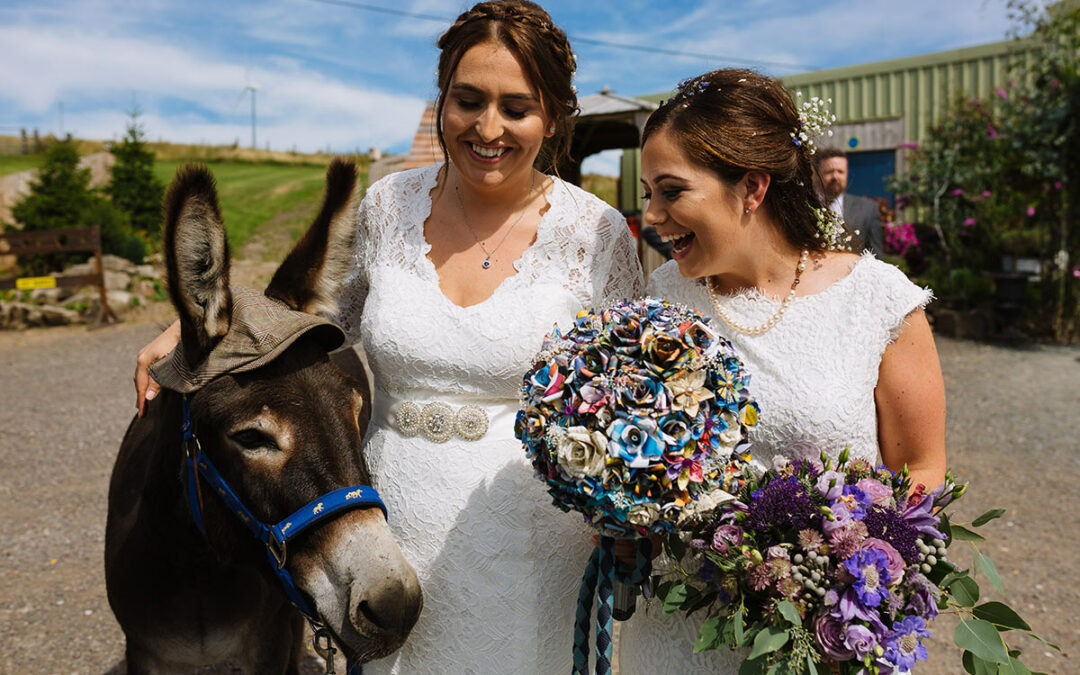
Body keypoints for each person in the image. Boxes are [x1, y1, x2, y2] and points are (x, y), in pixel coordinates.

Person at [132, 2, 642, 673]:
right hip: (384, 521)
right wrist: (199, 322)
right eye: (468, 100)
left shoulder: (598, 232)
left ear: (552, 118)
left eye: (516, 108)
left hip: (532, 539)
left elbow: (634, 390)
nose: (488, 128)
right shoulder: (387, 206)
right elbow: (311, 322)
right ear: (442, 102)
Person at [617, 69, 946, 673]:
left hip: (822, 640)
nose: (654, 216)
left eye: (671, 191)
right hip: (680, 630)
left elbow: (921, 466)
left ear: (752, 187)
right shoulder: (660, 301)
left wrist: (845, 577)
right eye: (648, 194)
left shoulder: (876, 299)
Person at [814, 147, 885, 257]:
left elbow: (876, 256)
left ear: (847, 174)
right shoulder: (803, 207)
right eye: (829, 172)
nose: (835, 176)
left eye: (840, 171)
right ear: (817, 175)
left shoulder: (868, 209)